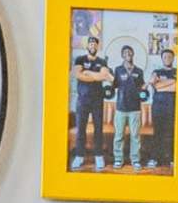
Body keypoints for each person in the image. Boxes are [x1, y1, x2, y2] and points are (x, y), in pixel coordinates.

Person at [109, 39, 156, 172]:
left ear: (133, 54)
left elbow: (142, 87)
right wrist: (108, 76)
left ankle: (135, 160)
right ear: (122, 55)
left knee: (135, 136)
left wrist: (148, 85)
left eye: (130, 52)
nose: (128, 54)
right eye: (125, 52)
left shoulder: (139, 71)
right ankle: (118, 159)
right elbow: (113, 86)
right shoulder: (117, 70)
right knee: (119, 135)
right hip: (121, 108)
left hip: (135, 108)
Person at [67, 36, 110, 169]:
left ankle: (98, 157)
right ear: (87, 46)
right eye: (91, 44)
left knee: (98, 129)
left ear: (97, 46)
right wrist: (95, 76)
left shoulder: (102, 61)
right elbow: (76, 75)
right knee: (81, 129)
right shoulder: (80, 59)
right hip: (82, 100)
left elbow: (104, 76)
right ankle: (79, 157)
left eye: (95, 44)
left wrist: (87, 73)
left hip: (97, 100)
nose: (93, 46)